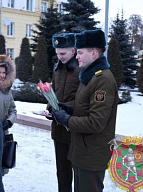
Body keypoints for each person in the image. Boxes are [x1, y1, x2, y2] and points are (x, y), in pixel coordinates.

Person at [50, 29, 118, 192]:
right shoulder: (90, 76)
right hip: (81, 151)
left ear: (94, 53)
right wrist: (68, 109)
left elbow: (95, 123)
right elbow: (85, 108)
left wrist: (66, 120)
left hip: (91, 155)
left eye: (79, 52)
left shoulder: (102, 80)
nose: (77, 56)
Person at [49, 33, 81, 192]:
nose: (60, 57)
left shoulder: (82, 70)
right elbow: (53, 92)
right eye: (57, 53)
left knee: (79, 172)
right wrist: (50, 106)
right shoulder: (57, 69)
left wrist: (64, 108)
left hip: (74, 128)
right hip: (58, 129)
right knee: (62, 171)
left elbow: (84, 100)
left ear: (73, 51)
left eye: (63, 53)